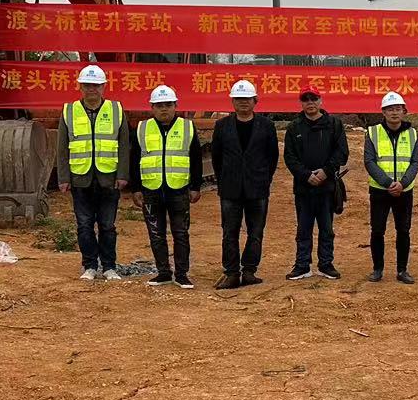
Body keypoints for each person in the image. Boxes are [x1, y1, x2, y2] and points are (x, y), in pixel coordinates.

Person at [55, 64, 129, 281]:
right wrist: (63, 177)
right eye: (87, 85)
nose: (91, 89)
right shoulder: (69, 111)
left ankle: (109, 267)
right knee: (84, 225)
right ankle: (89, 266)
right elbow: (62, 148)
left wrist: (123, 174)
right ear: (80, 86)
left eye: (96, 85)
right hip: (80, 178)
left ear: (104, 86)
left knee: (107, 226)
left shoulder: (116, 110)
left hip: (109, 178)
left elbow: (124, 145)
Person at [131, 85, 202, 288]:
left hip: (178, 189)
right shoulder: (142, 129)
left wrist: (195, 186)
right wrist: (136, 188)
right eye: (159, 105)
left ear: (175, 106)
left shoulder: (187, 127)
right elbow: (134, 159)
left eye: (168, 105)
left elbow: (196, 158)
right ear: (152, 107)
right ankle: (163, 272)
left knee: (181, 233)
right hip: (151, 189)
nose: (164, 109)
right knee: (156, 233)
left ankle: (181, 274)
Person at [210, 79, 278, 288]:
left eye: (247, 98)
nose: (243, 102)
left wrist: (264, 179)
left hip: (257, 188)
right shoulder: (222, 126)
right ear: (232, 101)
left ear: (255, 100)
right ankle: (231, 273)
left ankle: (249, 271)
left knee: (255, 232)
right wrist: (224, 180)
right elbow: (216, 157)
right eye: (238, 99)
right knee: (229, 232)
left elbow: (272, 157)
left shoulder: (266, 126)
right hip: (230, 189)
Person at [283, 87, 348, 280]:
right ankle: (302, 265)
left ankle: (326, 264)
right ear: (301, 103)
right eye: (306, 99)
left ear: (320, 101)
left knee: (326, 229)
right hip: (303, 188)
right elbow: (289, 157)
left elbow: (341, 152)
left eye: (314, 99)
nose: (310, 103)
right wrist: (305, 175)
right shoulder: (294, 127)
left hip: (327, 187)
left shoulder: (334, 124)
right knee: (303, 229)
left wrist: (326, 171)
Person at [364, 91, 418, 284]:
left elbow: (415, 162)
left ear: (404, 111)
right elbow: (369, 161)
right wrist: (388, 183)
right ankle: (377, 269)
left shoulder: (413, 134)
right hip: (380, 191)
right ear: (383, 112)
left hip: (404, 191)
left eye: (397, 109)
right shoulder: (373, 133)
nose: (394, 112)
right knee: (377, 230)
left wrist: (402, 183)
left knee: (403, 230)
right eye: (390, 109)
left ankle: (402, 270)